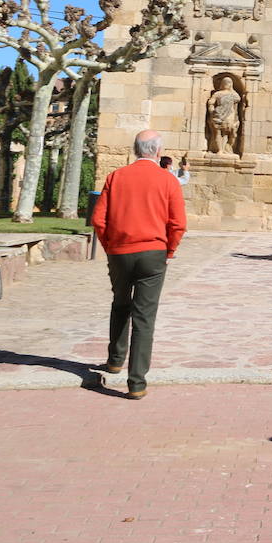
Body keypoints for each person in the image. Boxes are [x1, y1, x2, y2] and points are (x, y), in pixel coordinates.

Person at [91, 130, 188, 399]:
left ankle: (115, 359)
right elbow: (178, 223)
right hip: (153, 252)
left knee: (120, 302)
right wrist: (168, 250)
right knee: (144, 315)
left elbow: (99, 220)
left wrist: (110, 247)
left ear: (135, 149)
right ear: (158, 152)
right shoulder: (168, 181)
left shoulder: (116, 176)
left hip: (120, 250)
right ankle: (136, 383)